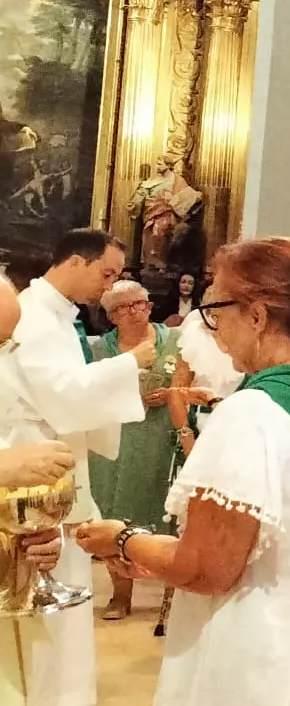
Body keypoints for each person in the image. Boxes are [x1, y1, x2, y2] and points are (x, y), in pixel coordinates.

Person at [72, 236, 290, 704]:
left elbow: (206, 569)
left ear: (257, 316)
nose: (213, 326)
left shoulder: (252, 415)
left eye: (216, 308)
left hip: (277, 658)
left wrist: (121, 538)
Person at [0, 229, 150, 704]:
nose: (107, 287)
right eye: (105, 274)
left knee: (53, 587)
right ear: (76, 262)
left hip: (43, 465)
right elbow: (61, 396)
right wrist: (129, 364)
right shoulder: (35, 315)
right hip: (25, 463)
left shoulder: (51, 315)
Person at [84, 278, 182, 620]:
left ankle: (170, 603)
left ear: (150, 307)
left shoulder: (176, 341)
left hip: (162, 435)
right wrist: (131, 397)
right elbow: (88, 394)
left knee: (165, 510)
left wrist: (171, 395)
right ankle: (120, 595)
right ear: (111, 316)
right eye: (122, 308)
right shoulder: (99, 350)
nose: (133, 312)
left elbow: (192, 382)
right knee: (118, 509)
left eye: (139, 304)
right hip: (118, 438)